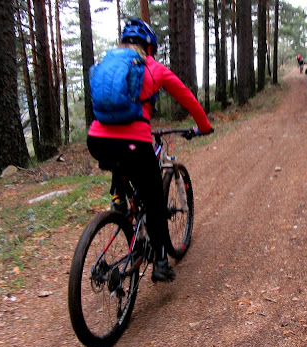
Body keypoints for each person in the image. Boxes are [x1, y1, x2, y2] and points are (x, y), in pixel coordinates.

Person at [87, 19, 213, 283]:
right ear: (149, 47)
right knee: (155, 199)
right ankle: (160, 261)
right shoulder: (153, 68)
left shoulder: (107, 64)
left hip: (97, 140)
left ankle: (119, 202)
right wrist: (204, 126)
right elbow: (187, 97)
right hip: (134, 142)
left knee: (123, 167)